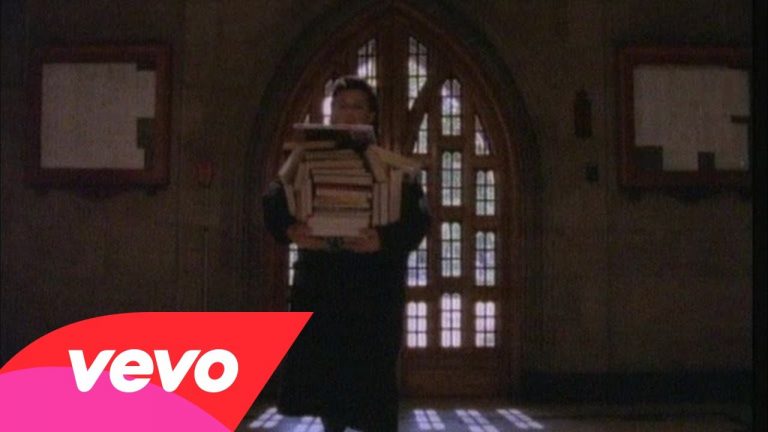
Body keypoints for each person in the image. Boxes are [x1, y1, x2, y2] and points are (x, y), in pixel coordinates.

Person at [262, 76, 430, 431]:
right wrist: (291, 229)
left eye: (357, 107)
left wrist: (382, 239)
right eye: (341, 106)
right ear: (331, 113)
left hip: (373, 294)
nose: (348, 113)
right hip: (323, 289)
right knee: (328, 390)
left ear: (370, 116)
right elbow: (273, 201)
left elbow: (418, 221)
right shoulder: (305, 160)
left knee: (374, 393)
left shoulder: (391, 167)